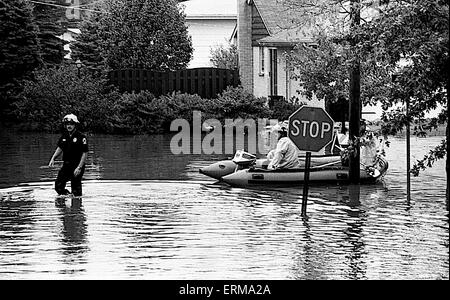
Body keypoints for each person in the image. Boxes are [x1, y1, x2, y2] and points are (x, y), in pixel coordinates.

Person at [48, 114, 88, 197]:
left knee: (76, 190)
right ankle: (67, 197)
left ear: (75, 125)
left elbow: (85, 153)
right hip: (66, 164)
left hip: (77, 164)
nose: (69, 126)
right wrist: (53, 158)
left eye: (71, 124)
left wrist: (79, 167)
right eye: (67, 124)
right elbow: (60, 148)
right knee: (58, 186)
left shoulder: (81, 137)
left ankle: (77, 206)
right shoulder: (64, 136)